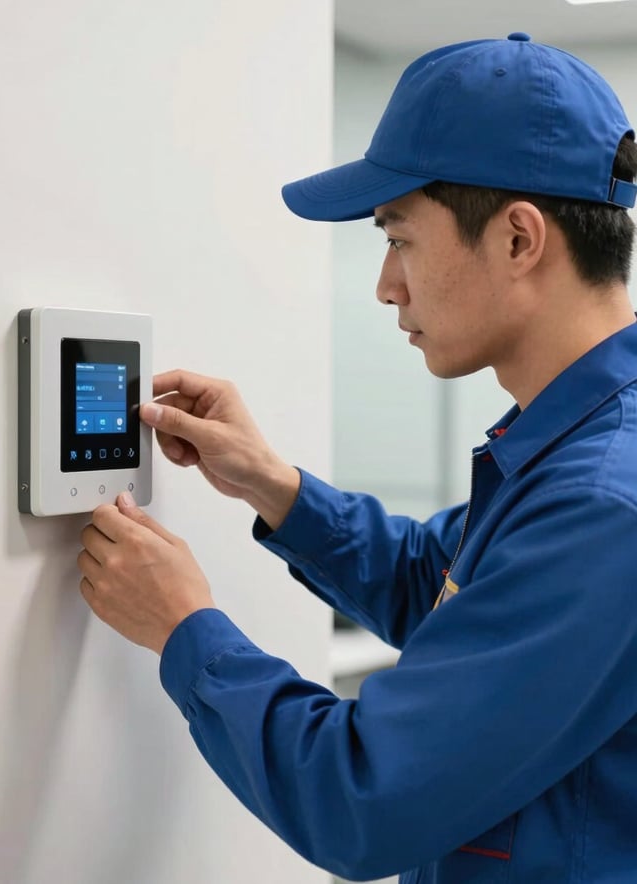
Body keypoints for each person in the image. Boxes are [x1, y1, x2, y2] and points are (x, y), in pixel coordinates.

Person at [77, 33, 637, 882]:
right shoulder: (577, 450)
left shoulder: (603, 499)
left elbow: (362, 798)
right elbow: (448, 590)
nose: (385, 285)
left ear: (520, 240)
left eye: (400, 238)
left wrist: (186, 628)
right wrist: (276, 486)